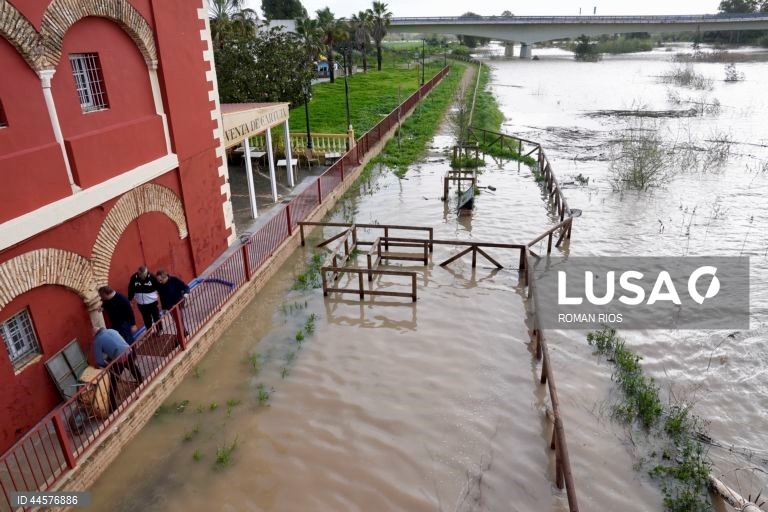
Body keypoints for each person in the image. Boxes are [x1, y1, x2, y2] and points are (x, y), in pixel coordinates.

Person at [92, 327, 143, 411]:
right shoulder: (112, 330)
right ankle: (141, 381)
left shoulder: (97, 340)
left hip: (119, 358)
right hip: (129, 350)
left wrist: (106, 366)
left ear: (94, 335)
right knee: (132, 366)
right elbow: (118, 341)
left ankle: (113, 406)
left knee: (113, 382)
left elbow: (99, 361)